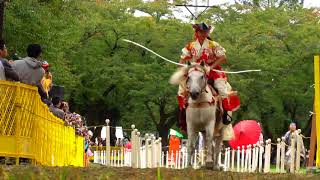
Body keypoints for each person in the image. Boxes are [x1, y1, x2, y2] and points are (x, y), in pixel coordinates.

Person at [177, 22, 240, 131]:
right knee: (181, 89)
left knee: (221, 89)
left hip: (212, 71)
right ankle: (183, 113)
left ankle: (226, 112)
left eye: (205, 32)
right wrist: (182, 68)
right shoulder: (190, 45)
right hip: (195, 70)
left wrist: (211, 66)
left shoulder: (213, 44)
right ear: (197, 32)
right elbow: (183, 58)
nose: (203, 34)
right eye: (201, 32)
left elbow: (223, 57)